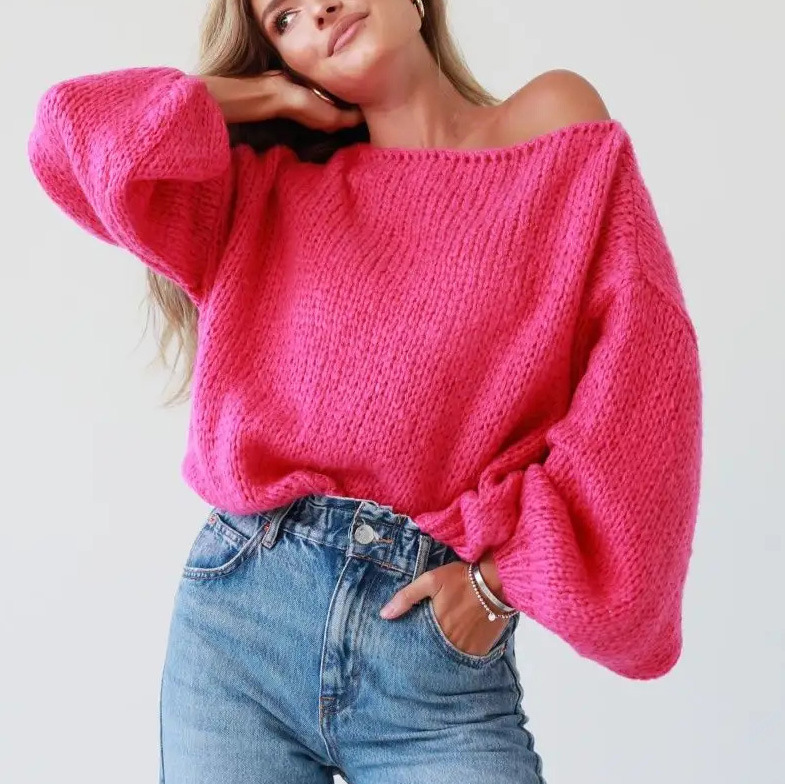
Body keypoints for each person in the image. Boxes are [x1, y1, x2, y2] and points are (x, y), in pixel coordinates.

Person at [27, 0, 703, 782]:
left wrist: (493, 585)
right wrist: (256, 94)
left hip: (430, 657)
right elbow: (68, 130)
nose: (317, 10)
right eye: (282, 18)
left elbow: (644, 374)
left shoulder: (551, 123)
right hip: (239, 628)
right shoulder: (263, 190)